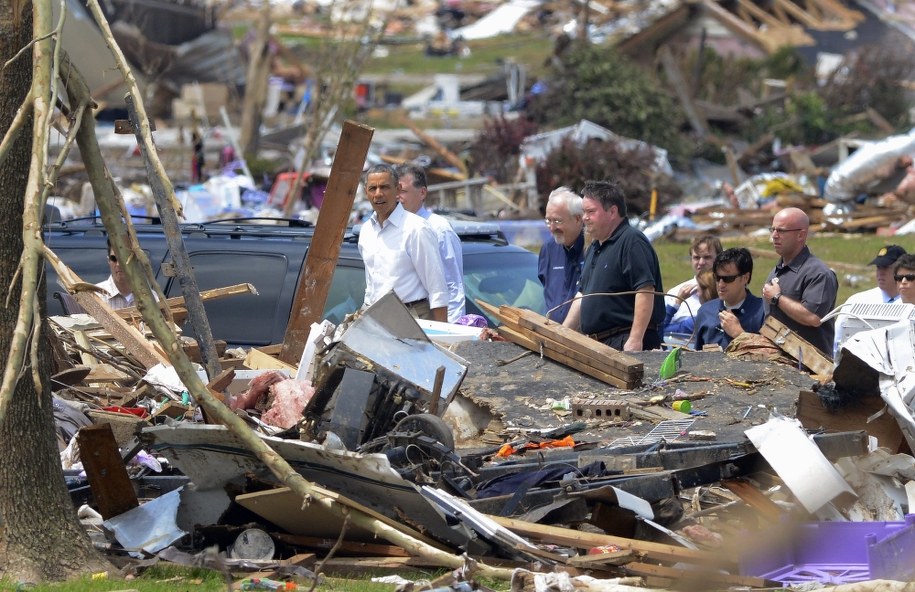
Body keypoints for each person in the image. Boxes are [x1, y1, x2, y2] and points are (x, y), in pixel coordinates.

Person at [562, 180, 665, 351]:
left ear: (612, 211)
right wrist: (562, 333)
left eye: (591, 212)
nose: (585, 218)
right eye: (584, 212)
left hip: (625, 340)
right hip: (599, 344)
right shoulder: (595, 247)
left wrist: (635, 339)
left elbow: (645, 289)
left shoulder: (631, 241)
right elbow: (583, 295)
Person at [358, 164, 448, 322]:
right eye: (373, 188)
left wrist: (443, 336)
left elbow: (437, 289)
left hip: (412, 317)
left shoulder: (416, 228)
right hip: (376, 319)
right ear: (366, 192)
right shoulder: (366, 231)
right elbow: (371, 285)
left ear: (398, 189)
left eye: (384, 187)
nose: (378, 194)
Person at [761, 207, 838, 356]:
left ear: (801, 235)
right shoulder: (777, 270)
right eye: (773, 230)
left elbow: (813, 317)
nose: (774, 236)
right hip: (777, 363)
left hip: (810, 369)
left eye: (781, 231)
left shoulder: (819, 273)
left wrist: (777, 298)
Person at [395, 163, 465, 323]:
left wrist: (449, 330)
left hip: (432, 324)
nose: (398, 197)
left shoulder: (439, 229)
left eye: (403, 191)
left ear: (422, 193)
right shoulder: (393, 228)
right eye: (395, 191)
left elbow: (453, 285)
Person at [833, 245, 906, 350]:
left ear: (902, 270)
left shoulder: (911, 303)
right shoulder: (857, 301)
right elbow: (837, 339)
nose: (880, 272)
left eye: (885, 267)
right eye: (878, 267)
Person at [694, 248, 766, 350]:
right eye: (717, 278)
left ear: (745, 278)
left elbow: (774, 356)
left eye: (728, 279)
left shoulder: (763, 312)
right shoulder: (705, 312)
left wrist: (739, 334)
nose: (721, 284)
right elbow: (697, 357)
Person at [537, 186, 585, 323]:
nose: (552, 228)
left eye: (557, 221)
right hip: (552, 336)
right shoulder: (548, 249)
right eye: (548, 221)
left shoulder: (592, 249)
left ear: (577, 219)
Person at [664, 235, 722, 333]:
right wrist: (676, 303)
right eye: (696, 257)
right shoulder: (674, 294)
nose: (701, 262)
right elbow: (661, 330)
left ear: (719, 258)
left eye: (707, 257)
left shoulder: (729, 290)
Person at [663, 270, 717, 345]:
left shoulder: (697, 321)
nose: (697, 294)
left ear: (706, 292)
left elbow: (662, 329)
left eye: (697, 290)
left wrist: (677, 301)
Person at [95, 239, 135, 310]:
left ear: (134, 261)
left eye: (124, 258)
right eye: (113, 258)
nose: (118, 264)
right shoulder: (95, 296)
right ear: (108, 261)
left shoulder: (151, 299)